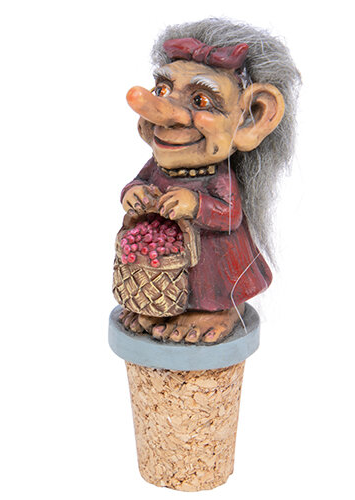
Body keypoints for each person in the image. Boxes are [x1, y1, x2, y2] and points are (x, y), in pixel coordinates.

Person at [117, 19, 301, 343]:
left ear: (253, 118)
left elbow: (229, 214)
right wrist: (133, 193)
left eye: (200, 100)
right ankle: (158, 304)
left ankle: (217, 310)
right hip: (159, 269)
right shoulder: (158, 167)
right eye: (162, 90)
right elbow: (138, 182)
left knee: (211, 284)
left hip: (215, 262)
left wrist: (195, 204)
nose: (165, 113)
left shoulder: (219, 177)